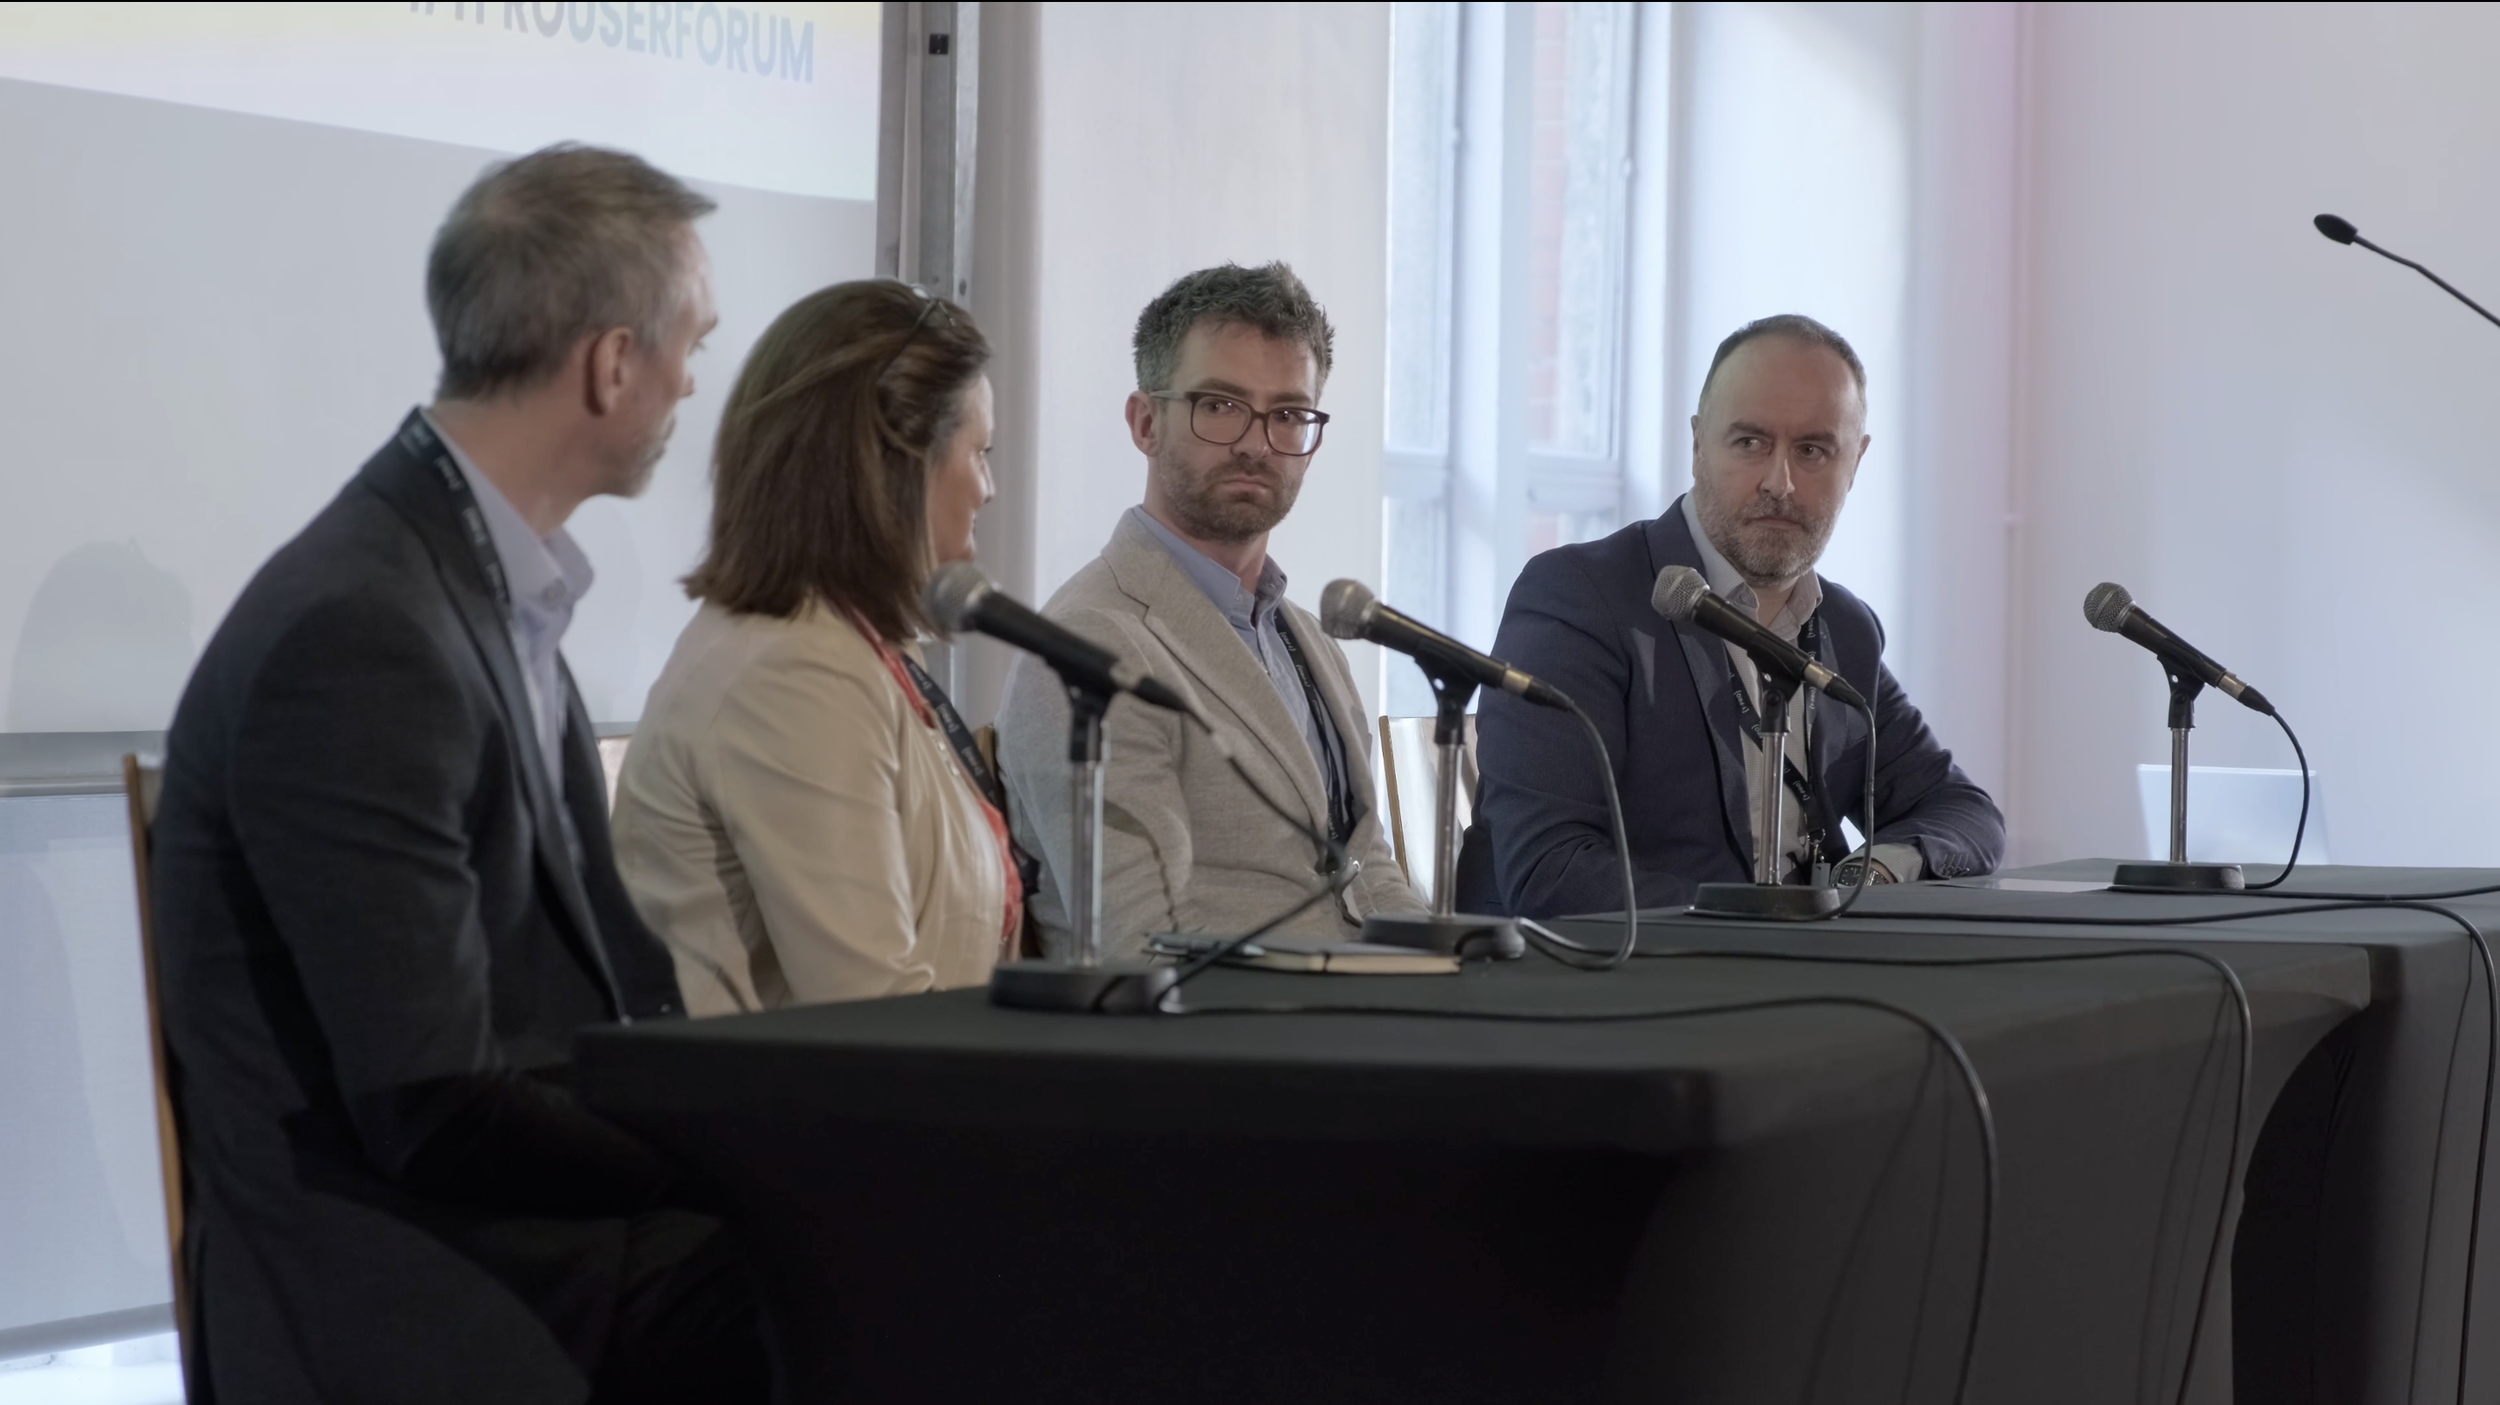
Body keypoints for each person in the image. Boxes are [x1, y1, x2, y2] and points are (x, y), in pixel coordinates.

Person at [149, 145, 767, 1404]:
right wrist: (716, 1164)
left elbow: (605, 985)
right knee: (831, 1288)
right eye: (689, 346)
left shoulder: (474, 577)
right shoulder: (364, 630)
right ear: (610, 363)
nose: (692, 381)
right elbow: (428, 1098)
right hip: (393, 1282)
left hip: (501, 1231)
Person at [1468, 314, 2003, 917]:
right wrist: (1766, 927)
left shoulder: (1844, 628)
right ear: (1698, 444)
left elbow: (1965, 814)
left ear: (1855, 462)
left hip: (1808, 983)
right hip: (1625, 986)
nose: (1781, 483)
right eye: (1750, 443)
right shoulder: (1580, 599)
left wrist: (1871, 873)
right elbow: (1549, 870)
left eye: (1813, 450)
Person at [995, 262, 1426, 958]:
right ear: (1145, 422)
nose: (1256, 443)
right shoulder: (1090, 647)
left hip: (1363, 1027)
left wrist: (1450, 974)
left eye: (1288, 414)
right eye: (1220, 404)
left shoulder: (1309, 640)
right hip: (1225, 1047)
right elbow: (1140, 942)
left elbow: (1366, 870)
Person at [610, 281, 1017, 1012]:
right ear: (898, 462)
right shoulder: (794, 670)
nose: (989, 488)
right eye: (980, 452)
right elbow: (873, 1015)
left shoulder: (856, 645)